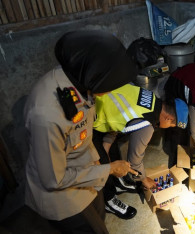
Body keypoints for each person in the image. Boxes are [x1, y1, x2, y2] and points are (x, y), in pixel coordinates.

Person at [23, 30, 139, 233]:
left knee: (99, 219)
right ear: (93, 73)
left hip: (87, 175)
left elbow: (81, 134)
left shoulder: (78, 79)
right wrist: (109, 169)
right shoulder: (47, 116)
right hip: (64, 198)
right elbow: (54, 180)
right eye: (108, 81)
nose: (110, 89)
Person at [92, 83, 188, 205]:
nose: (168, 127)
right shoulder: (146, 126)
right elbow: (134, 160)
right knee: (101, 167)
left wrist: (107, 142)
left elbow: (121, 113)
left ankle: (118, 184)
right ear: (168, 118)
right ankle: (108, 200)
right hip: (92, 115)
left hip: (100, 97)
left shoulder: (151, 97)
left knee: (107, 158)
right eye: (171, 125)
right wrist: (143, 179)